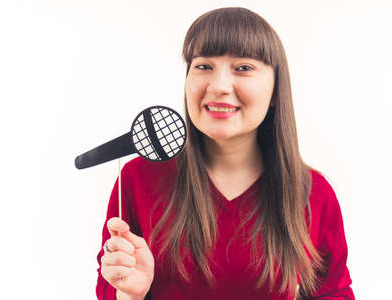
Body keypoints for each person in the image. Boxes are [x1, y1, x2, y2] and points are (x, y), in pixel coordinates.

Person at [96, 7, 354, 300]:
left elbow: (334, 292)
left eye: (243, 68)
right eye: (204, 66)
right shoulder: (138, 177)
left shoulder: (313, 193)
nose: (218, 86)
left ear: (275, 90)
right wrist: (131, 294)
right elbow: (109, 289)